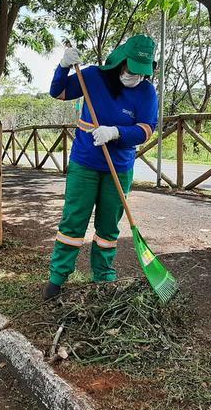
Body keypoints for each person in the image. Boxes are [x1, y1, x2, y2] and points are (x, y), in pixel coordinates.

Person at [42, 34, 159, 300]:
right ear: (120, 62)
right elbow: (58, 92)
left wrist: (117, 132)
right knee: (74, 221)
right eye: (131, 70)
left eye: (142, 73)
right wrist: (62, 67)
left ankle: (103, 279)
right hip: (85, 163)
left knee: (108, 228)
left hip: (119, 167)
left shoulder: (146, 92)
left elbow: (145, 129)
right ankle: (57, 279)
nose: (135, 77)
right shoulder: (93, 77)